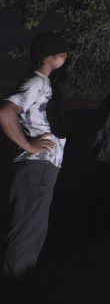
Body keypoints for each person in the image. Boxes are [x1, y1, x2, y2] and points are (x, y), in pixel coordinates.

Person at [0, 32, 68, 283]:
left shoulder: (44, 83)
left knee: (32, 234)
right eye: (61, 52)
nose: (65, 56)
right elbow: (6, 112)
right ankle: (13, 299)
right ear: (47, 56)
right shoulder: (36, 82)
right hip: (35, 169)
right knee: (26, 236)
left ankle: (19, 294)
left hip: (40, 170)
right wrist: (29, 145)